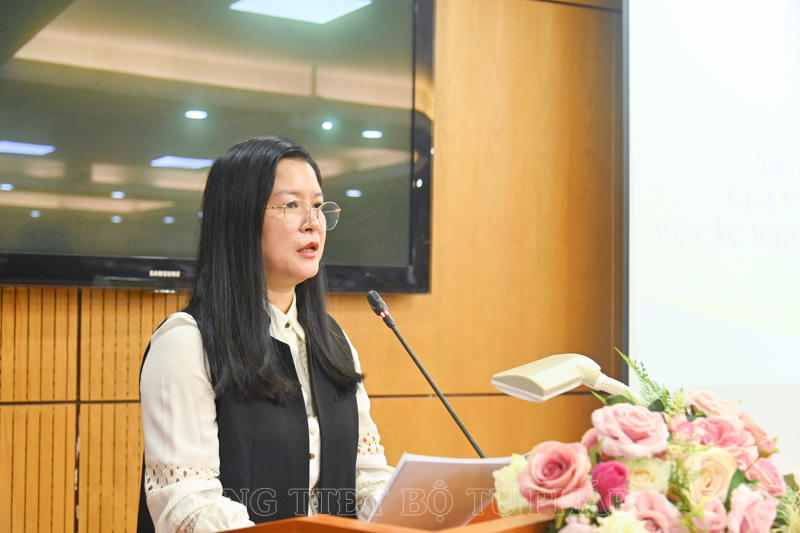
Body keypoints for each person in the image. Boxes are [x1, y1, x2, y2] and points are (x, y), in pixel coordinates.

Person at [137, 136, 394, 532]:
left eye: (318, 205)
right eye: (291, 205)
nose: (312, 221)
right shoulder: (186, 342)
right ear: (239, 219)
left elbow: (366, 475)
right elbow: (187, 506)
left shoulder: (333, 341)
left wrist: (414, 508)